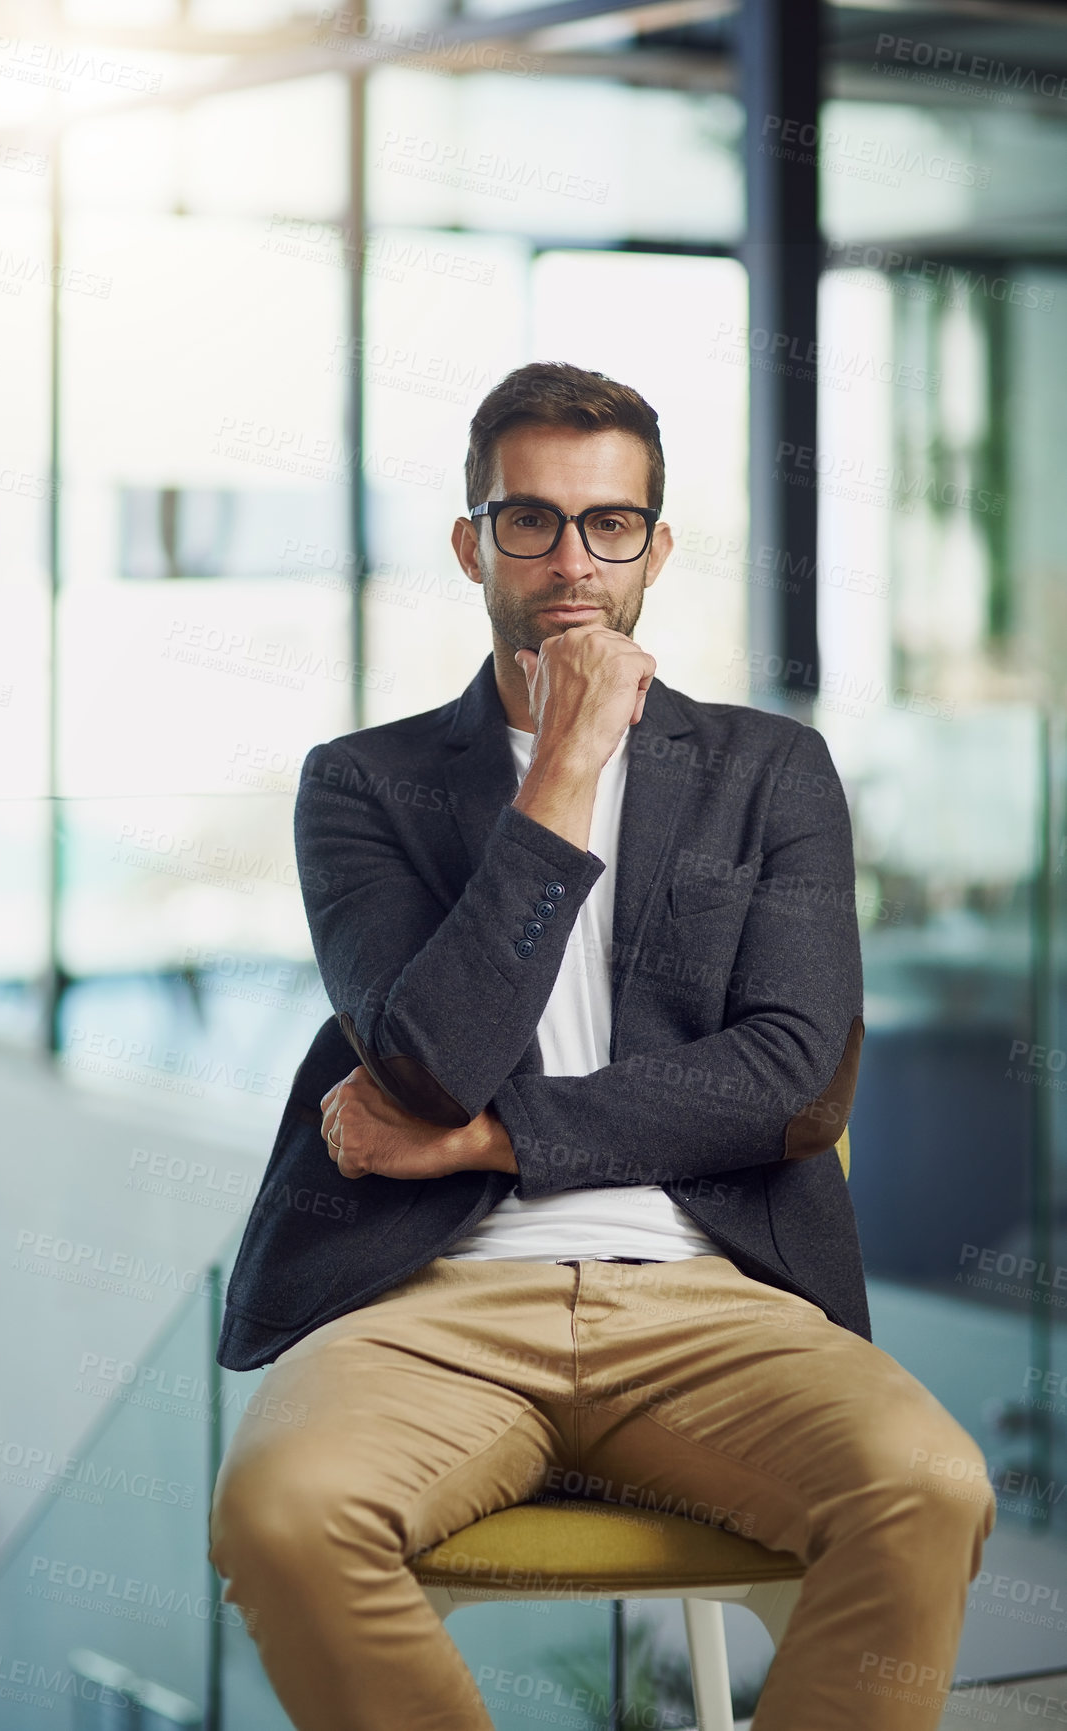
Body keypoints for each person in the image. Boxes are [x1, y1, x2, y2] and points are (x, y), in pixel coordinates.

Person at [208, 361, 995, 1731]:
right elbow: (425, 1064)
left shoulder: (770, 772)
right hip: (428, 1308)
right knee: (281, 1516)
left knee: (926, 1489)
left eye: (608, 524)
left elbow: (793, 1076)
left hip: (711, 1303)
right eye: (530, 521)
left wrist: (496, 1138)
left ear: (655, 547)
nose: (570, 559)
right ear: (471, 542)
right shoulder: (363, 785)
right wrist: (565, 761)